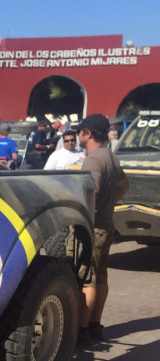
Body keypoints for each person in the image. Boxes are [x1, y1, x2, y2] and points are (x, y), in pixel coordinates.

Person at [73, 114, 129, 345]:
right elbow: (124, 185)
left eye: (80, 131)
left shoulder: (94, 159)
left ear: (88, 133)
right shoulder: (110, 156)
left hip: (93, 227)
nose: (78, 135)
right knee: (101, 277)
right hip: (106, 224)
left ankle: (82, 331)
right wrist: (110, 203)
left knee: (88, 280)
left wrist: (85, 211)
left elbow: (92, 189)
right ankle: (95, 325)